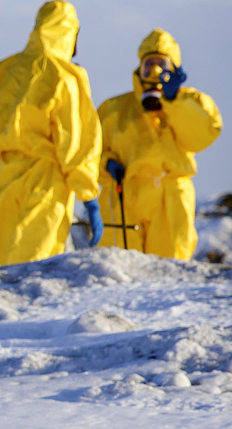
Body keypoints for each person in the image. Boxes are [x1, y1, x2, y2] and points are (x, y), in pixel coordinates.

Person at [0, 0, 104, 265]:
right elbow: (75, 139)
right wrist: (88, 194)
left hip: (5, 179)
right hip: (46, 182)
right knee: (35, 266)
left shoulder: (3, 70)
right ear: (71, 34)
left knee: (10, 267)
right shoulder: (65, 76)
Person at [95, 29, 222, 259]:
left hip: (170, 199)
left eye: (162, 65)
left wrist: (175, 102)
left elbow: (203, 136)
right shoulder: (114, 110)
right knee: (118, 268)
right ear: (139, 68)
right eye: (149, 65)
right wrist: (106, 164)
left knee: (167, 269)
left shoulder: (191, 102)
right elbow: (90, 150)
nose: (154, 72)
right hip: (124, 196)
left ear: (175, 69)